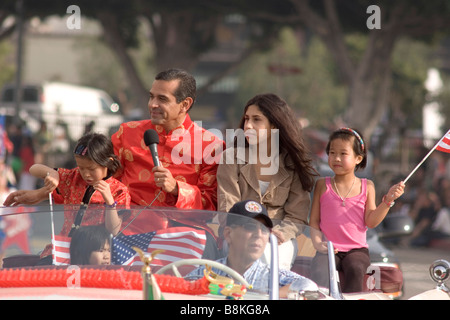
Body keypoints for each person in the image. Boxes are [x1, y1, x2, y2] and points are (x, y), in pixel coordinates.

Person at [110, 68, 224, 234]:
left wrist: (177, 189)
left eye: (162, 99)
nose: (152, 104)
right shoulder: (127, 133)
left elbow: (211, 205)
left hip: (182, 235)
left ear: (185, 104)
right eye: (151, 97)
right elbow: (103, 179)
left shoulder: (211, 146)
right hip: (127, 230)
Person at [217, 93, 317, 269]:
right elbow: (227, 207)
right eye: (246, 118)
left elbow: (297, 215)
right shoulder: (230, 158)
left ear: (274, 125)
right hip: (239, 234)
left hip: (279, 239)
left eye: (257, 120)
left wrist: (278, 234)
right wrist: (249, 232)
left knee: (270, 258)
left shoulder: (293, 164)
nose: (248, 125)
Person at [3, 132, 131, 264]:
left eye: (91, 168)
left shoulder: (119, 191)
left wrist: (110, 202)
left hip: (92, 256)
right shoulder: (73, 177)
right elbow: (33, 169)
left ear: (107, 163)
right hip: (62, 251)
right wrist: (51, 173)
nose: (86, 174)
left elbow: (113, 230)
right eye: (81, 168)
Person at [309, 127, 405, 293]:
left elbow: (371, 221)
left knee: (355, 268)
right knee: (320, 271)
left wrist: (388, 200)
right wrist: (318, 244)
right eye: (332, 153)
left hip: (357, 250)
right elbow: (314, 222)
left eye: (343, 154)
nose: (336, 158)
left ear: (358, 158)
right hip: (328, 248)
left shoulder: (367, 186)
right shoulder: (321, 185)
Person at [187, 200, 315, 297]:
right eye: (250, 226)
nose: (259, 234)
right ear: (228, 234)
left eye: (264, 229)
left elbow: (309, 286)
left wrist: (268, 297)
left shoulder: (272, 275)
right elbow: (180, 288)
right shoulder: (205, 273)